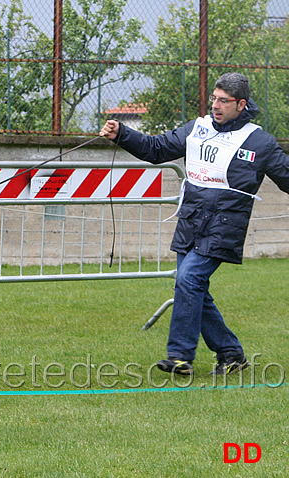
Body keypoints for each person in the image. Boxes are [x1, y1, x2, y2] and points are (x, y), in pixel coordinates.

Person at [99, 72, 289, 376]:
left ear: (241, 104)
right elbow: (156, 149)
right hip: (190, 220)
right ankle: (231, 354)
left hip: (225, 224)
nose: (216, 105)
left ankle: (179, 356)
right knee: (192, 286)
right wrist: (122, 133)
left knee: (188, 280)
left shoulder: (260, 142)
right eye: (214, 98)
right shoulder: (196, 128)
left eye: (224, 101)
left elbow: (286, 176)